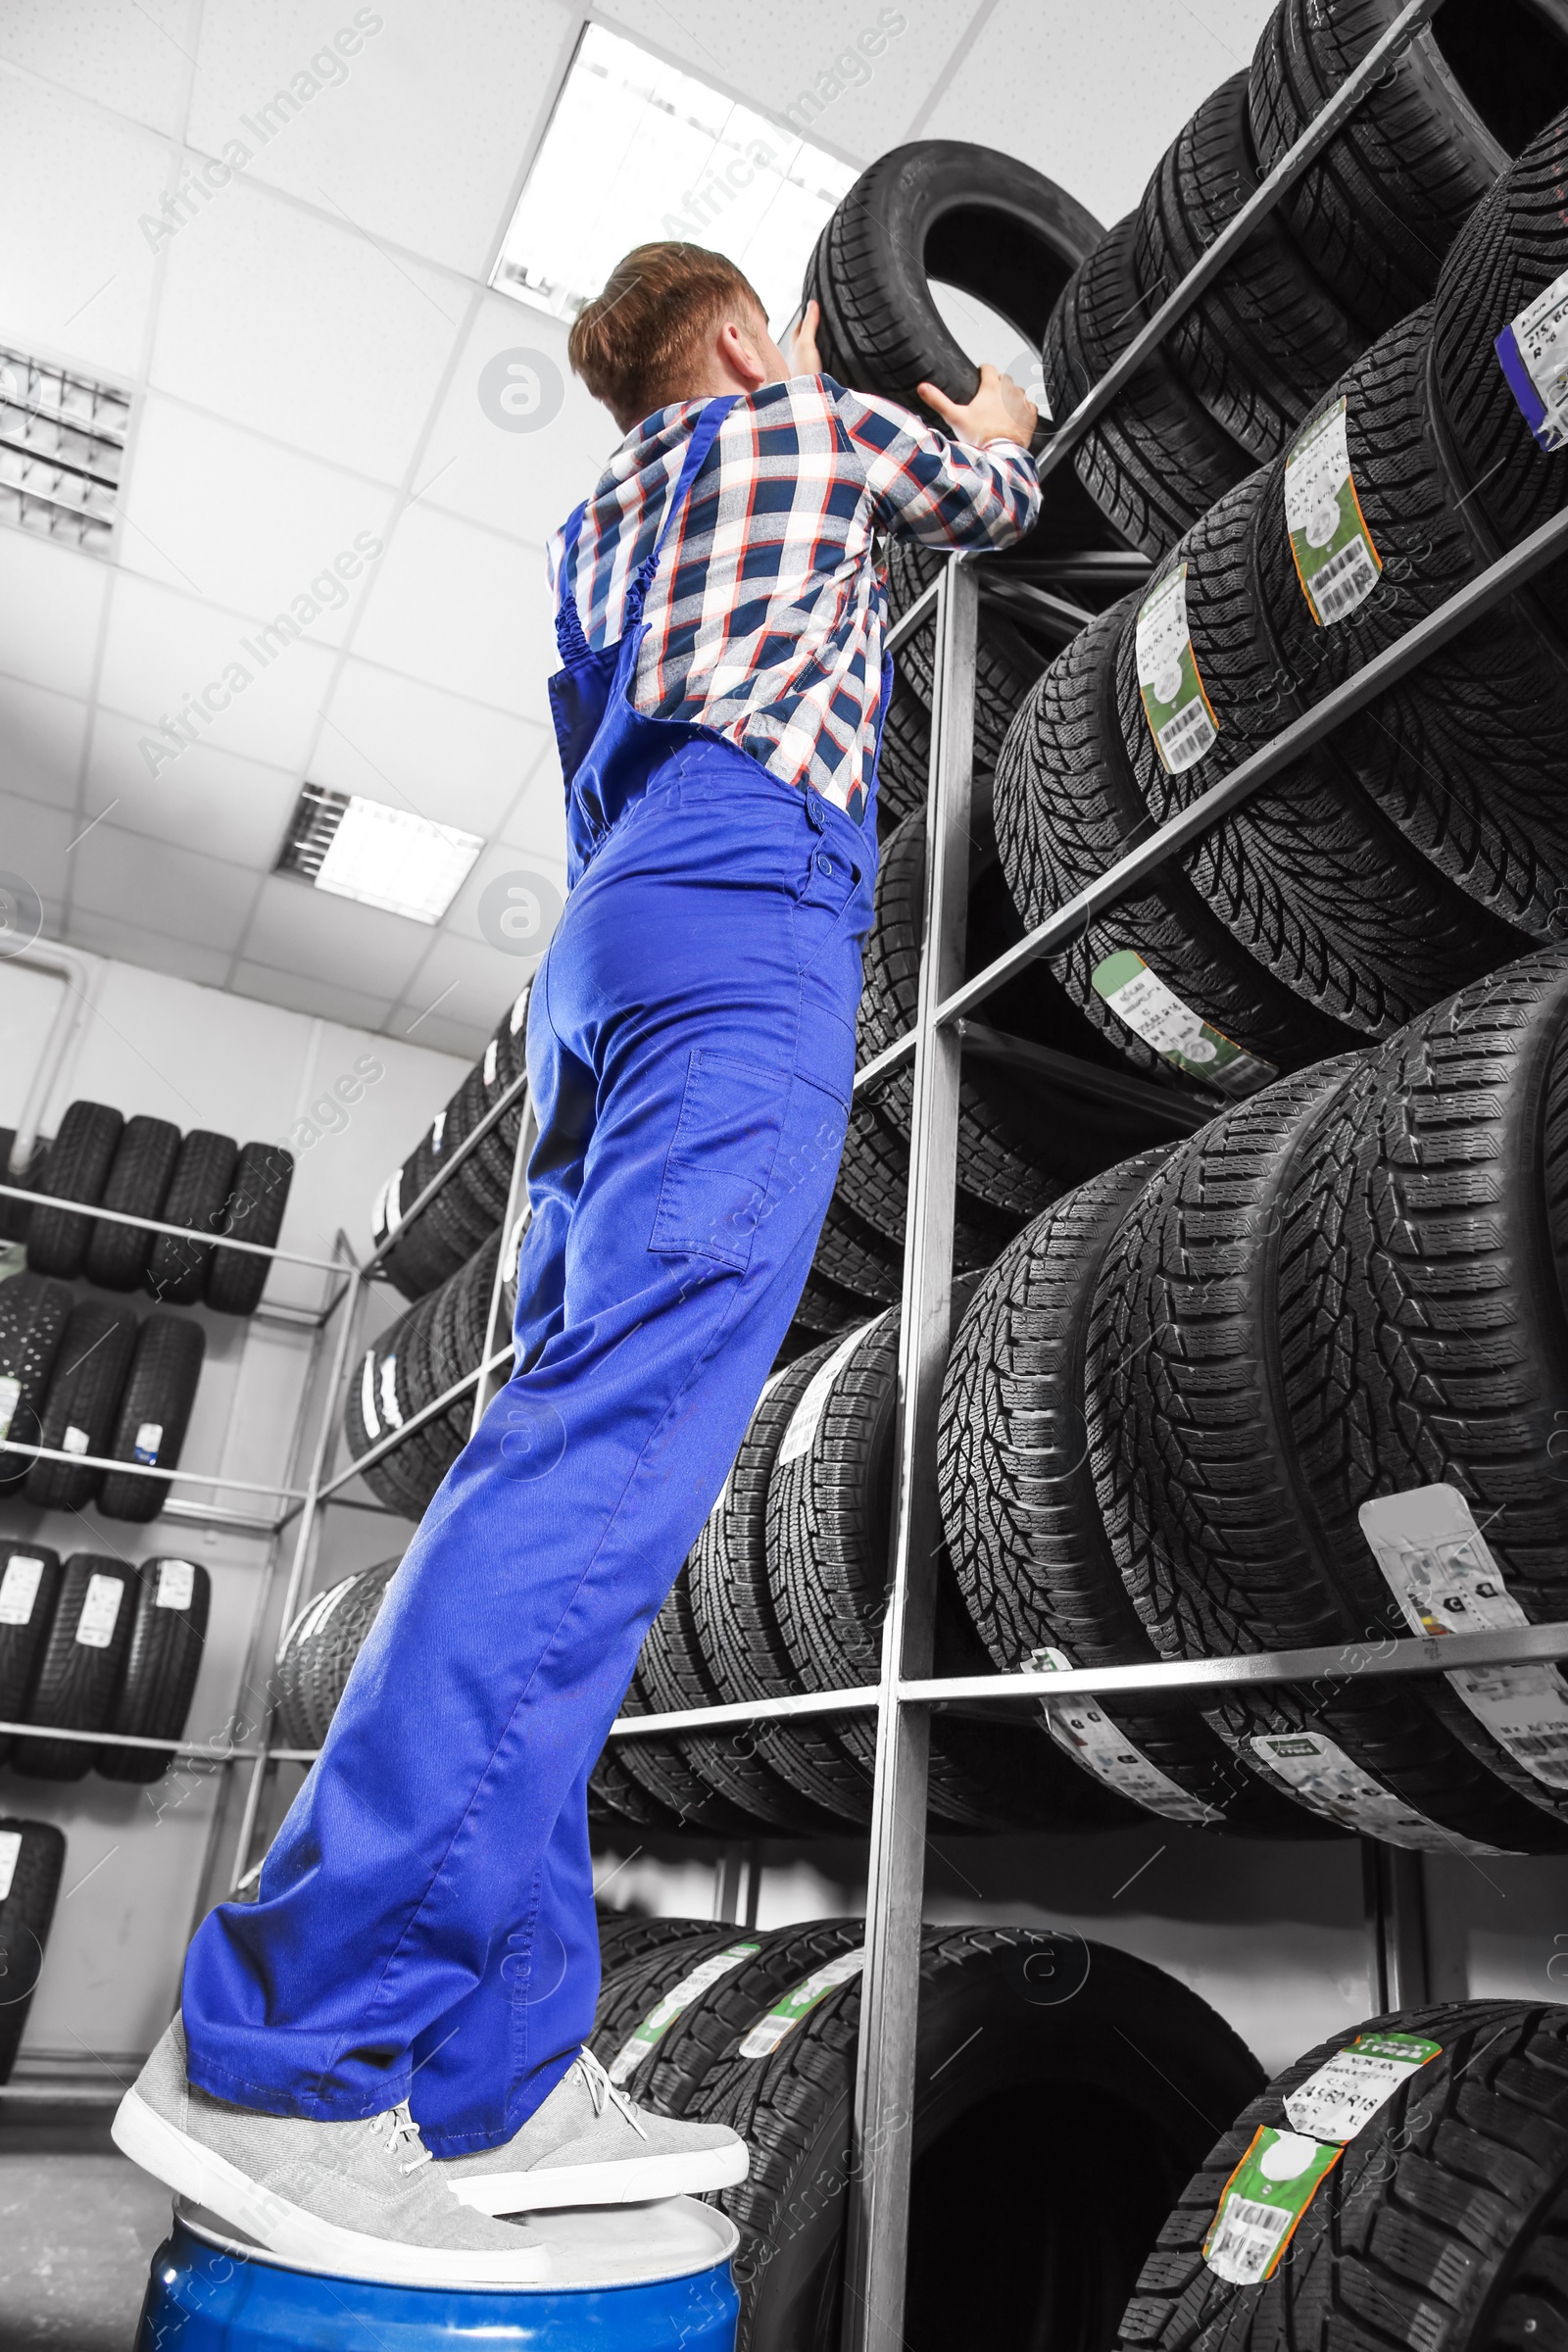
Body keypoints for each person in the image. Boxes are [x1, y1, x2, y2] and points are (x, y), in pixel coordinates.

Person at [112, 241, 1041, 2282]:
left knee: (546, 1460)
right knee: (604, 1473)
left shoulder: (601, 519)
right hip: (741, 920)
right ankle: (287, 2037)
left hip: (608, 949)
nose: (801, 355)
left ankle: (493, 2067)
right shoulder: (801, 429)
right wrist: (985, 413)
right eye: (781, 335)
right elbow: (990, 494)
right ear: (732, 339)